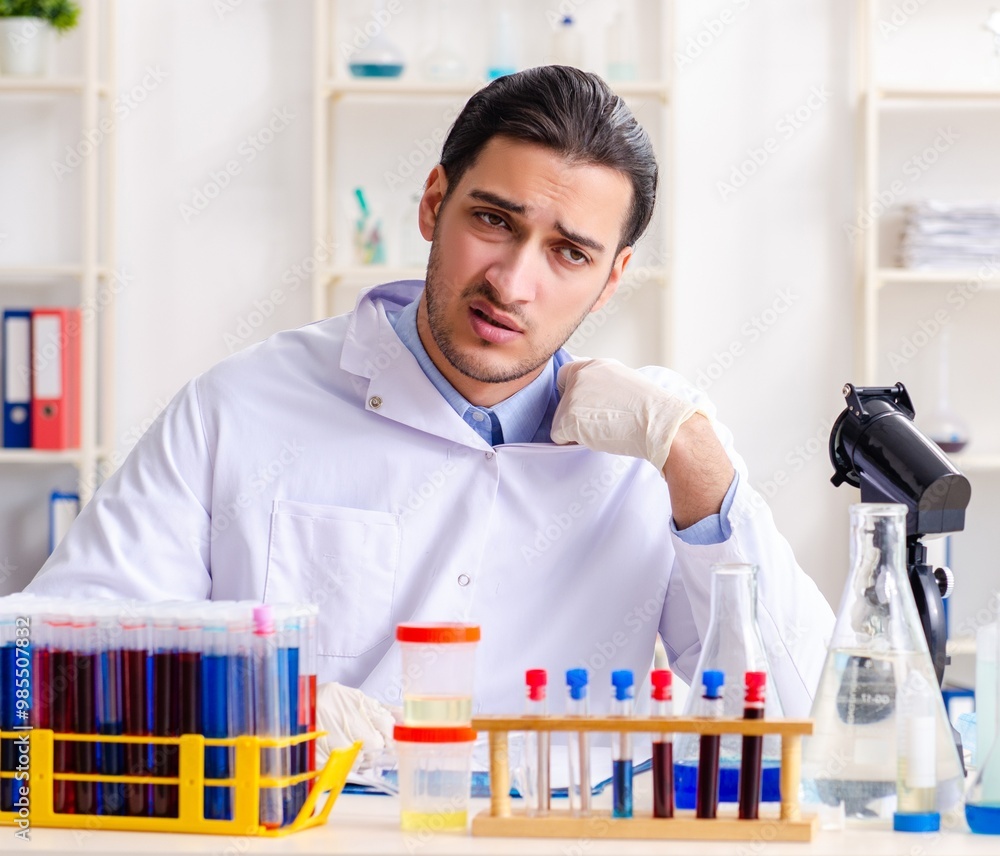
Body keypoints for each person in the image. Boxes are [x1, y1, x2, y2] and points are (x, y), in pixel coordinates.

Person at [26, 66, 834, 759]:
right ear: (433, 204)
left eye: (569, 253)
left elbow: (801, 720)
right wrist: (260, 698)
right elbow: (52, 657)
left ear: (613, 277)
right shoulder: (241, 407)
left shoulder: (656, 458)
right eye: (494, 221)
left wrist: (698, 465)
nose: (514, 283)